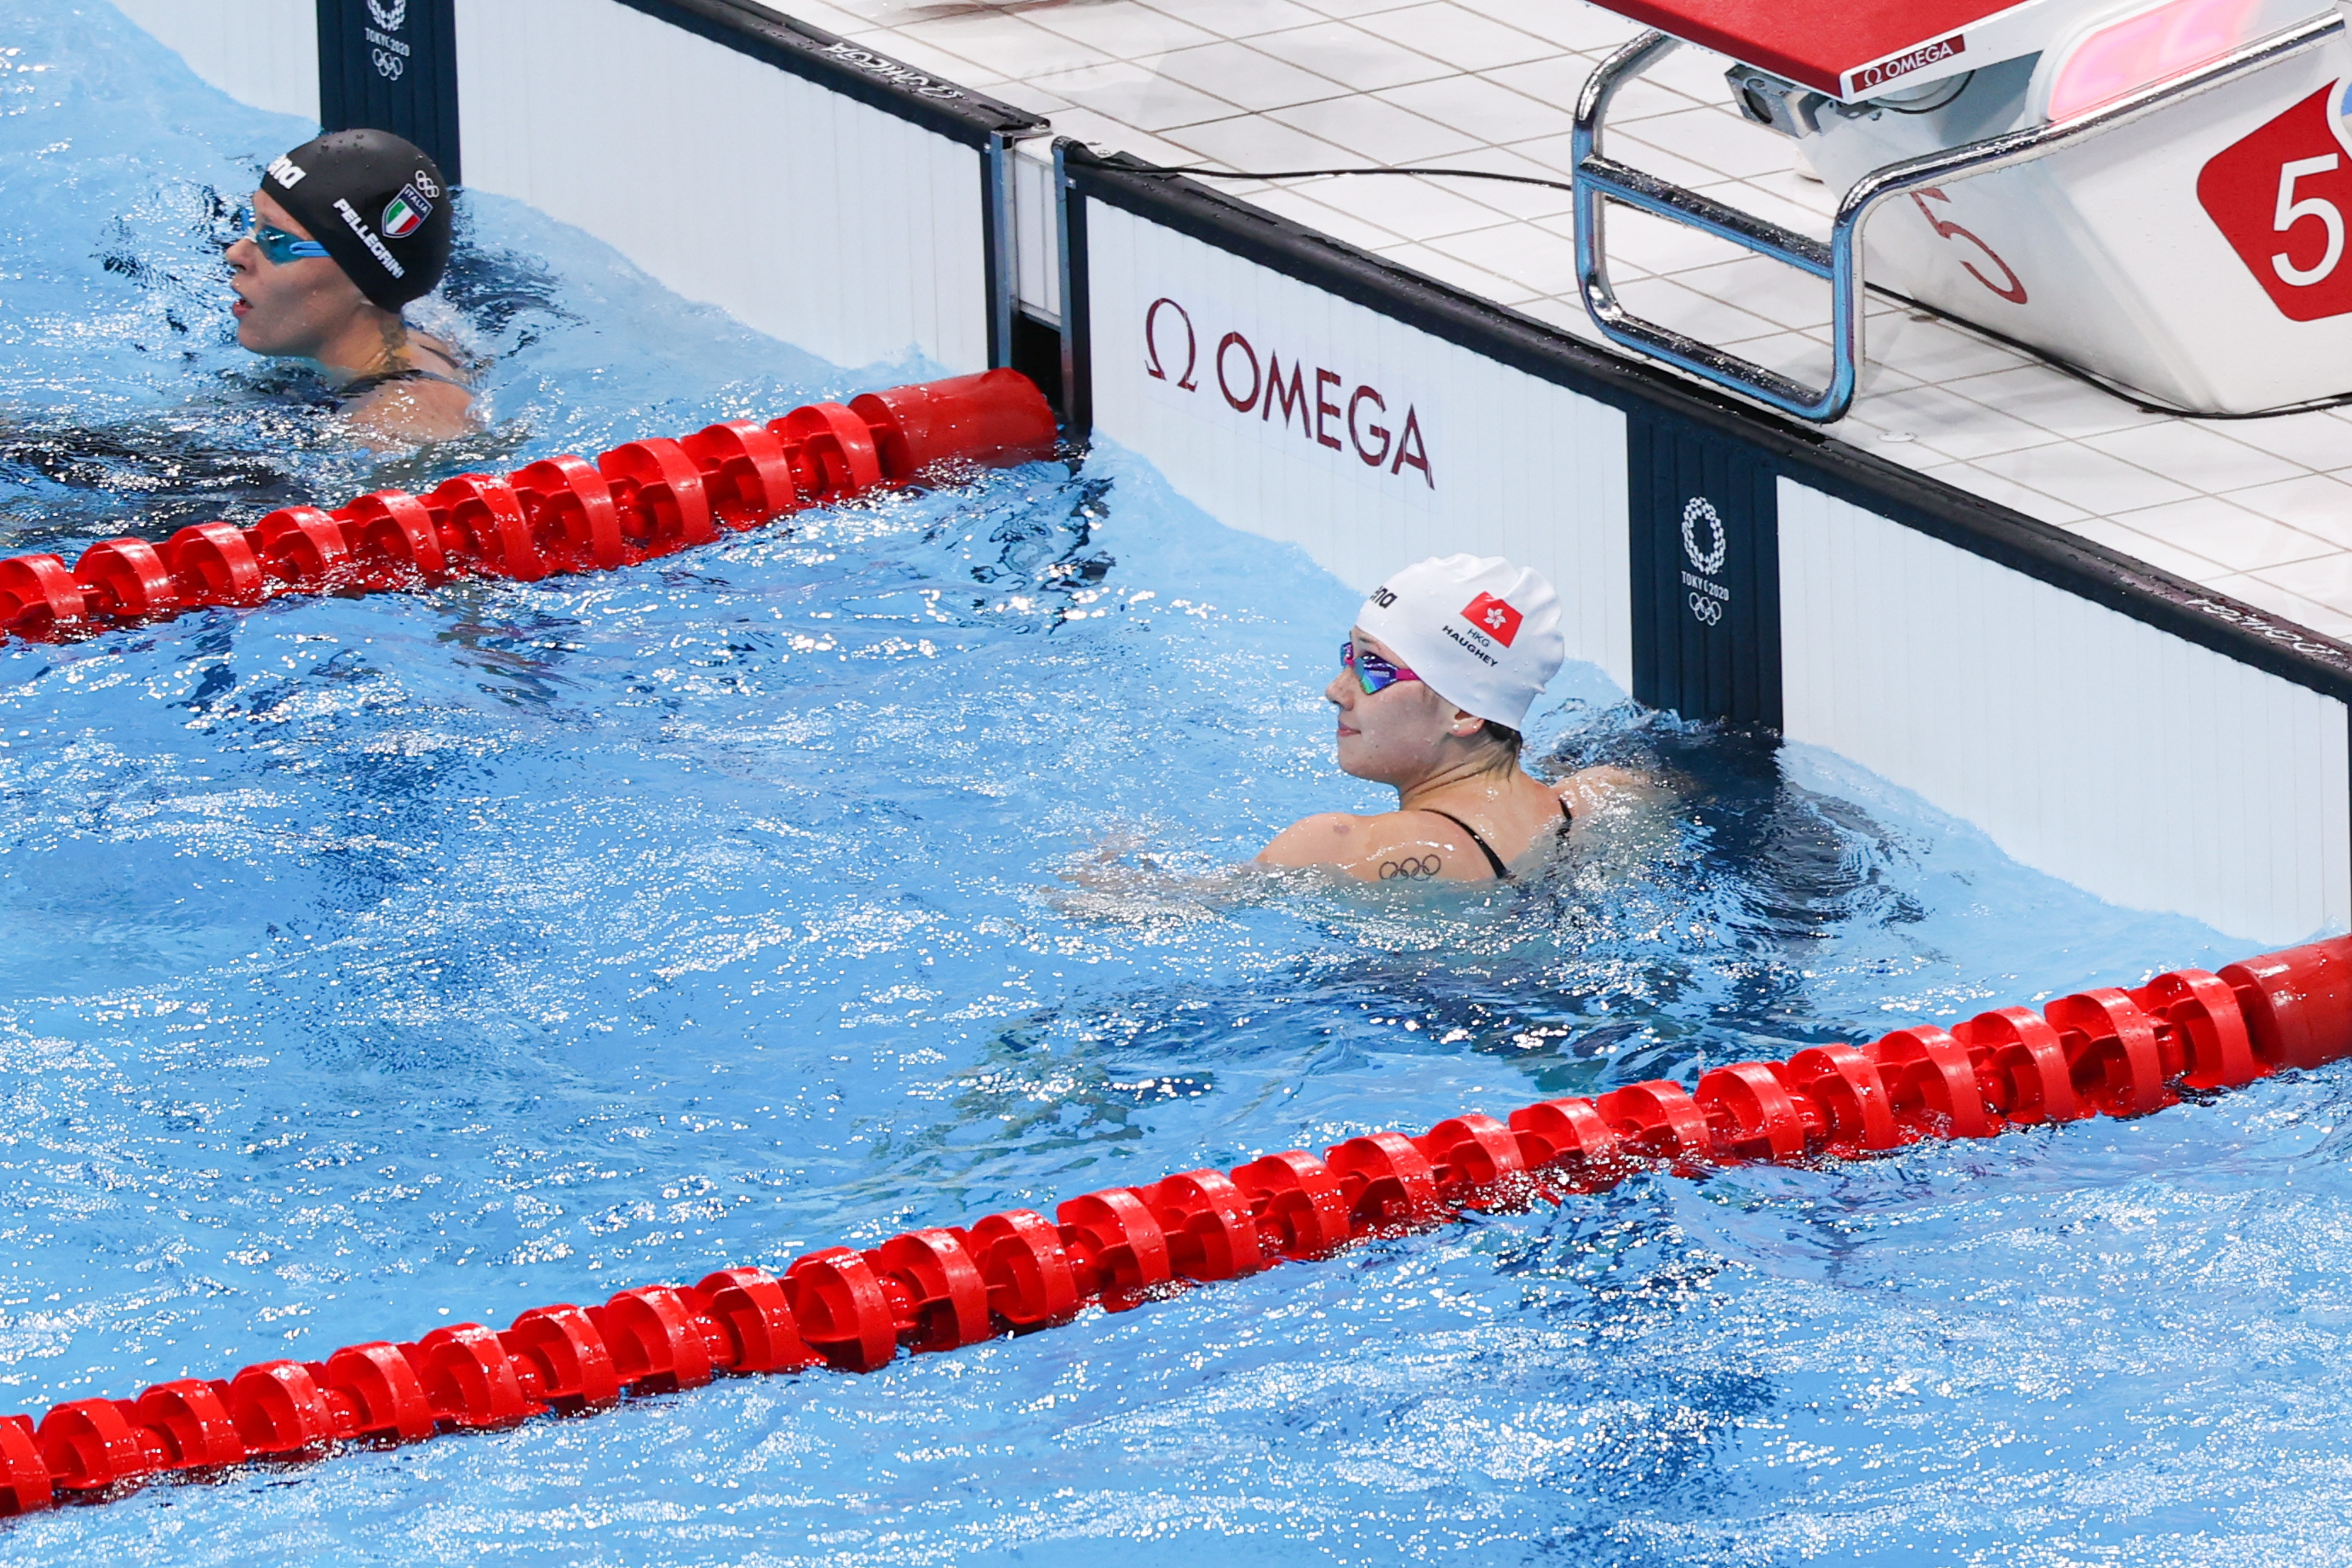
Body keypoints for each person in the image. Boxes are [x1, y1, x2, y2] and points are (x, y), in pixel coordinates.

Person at [1257, 554, 1638, 882]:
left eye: (1374, 668)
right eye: (1349, 655)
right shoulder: (1609, 799)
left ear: (1464, 711)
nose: (1336, 691)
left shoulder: (1334, 848)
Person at [226, 129, 473, 446]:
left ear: (366, 279)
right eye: (251, 223)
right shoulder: (428, 346)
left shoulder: (394, 426)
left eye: (276, 241)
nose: (235, 254)